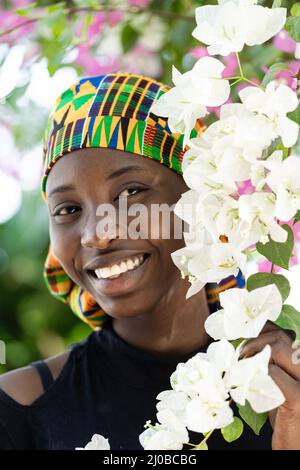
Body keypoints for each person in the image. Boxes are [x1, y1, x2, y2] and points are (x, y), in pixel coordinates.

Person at [0, 72, 299, 450]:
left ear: (202, 200)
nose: (96, 233)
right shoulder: (21, 410)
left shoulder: (287, 380)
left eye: (131, 191)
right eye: (69, 208)